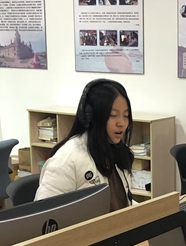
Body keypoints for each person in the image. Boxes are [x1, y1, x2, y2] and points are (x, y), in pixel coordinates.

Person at [35, 79, 135, 211]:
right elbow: (45, 215)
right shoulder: (67, 160)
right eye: (113, 115)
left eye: (126, 115)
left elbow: (122, 201)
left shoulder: (117, 151)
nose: (121, 123)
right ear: (91, 116)